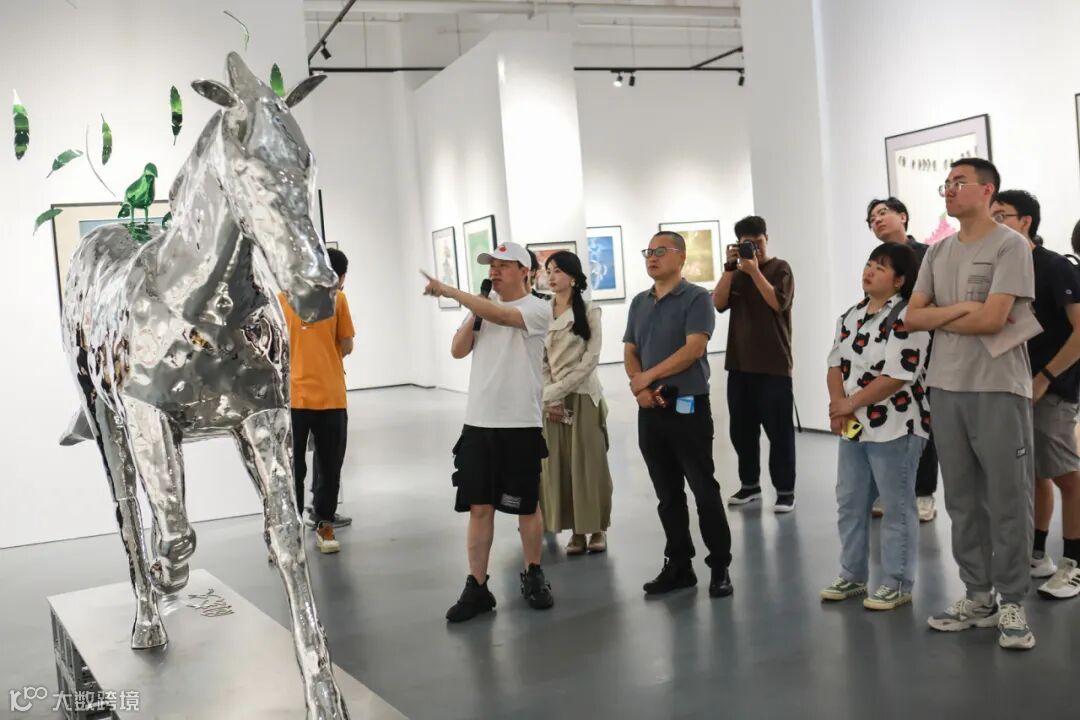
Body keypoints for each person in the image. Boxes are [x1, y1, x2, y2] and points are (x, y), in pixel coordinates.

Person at [906, 158, 1037, 650]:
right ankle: (978, 595)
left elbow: (994, 320)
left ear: (987, 190)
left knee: (1008, 498)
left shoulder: (1010, 245)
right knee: (961, 499)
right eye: (946, 183)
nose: (949, 190)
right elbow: (912, 317)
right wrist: (963, 308)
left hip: (998, 385)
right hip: (945, 385)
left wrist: (943, 315)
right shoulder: (938, 252)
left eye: (959, 183)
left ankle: (1013, 601)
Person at [421, 241, 555, 622]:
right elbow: (457, 349)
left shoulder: (537, 308)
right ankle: (477, 586)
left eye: (503, 265)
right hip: (479, 423)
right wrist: (473, 312)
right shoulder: (482, 308)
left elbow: (503, 316)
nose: (494, 271)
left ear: (525, 271)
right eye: (491, 265)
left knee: (525, 506)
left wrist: (450, 292)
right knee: (479, 507)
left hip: (520, 424)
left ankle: (533, 572)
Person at [624, 231, 734, 598]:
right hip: (651, 411)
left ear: (681, 257)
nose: (652, 257)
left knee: (703, 490)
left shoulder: (697, 298)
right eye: (648, 251)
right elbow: (630, 350)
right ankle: (679, 565)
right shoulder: (639, 302)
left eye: (660, 251)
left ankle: (719, 566)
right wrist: (641, 389)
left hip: (688, 407)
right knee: (667, 494)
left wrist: (648, 377)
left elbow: (693, 350)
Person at [822, 243, 931, 610]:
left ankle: (897, 582)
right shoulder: (850, 316)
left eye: (880, 267)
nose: (869, 271)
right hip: (855, 425)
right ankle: (852, 575)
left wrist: (848, 404)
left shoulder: (909, 316)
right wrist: (838, 407)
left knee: (897, 506)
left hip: (897, 426)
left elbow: (898, 374)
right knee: (850, 502)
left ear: (899, 280)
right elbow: (835, 364)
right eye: (869, 264)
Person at [992, 190, 1080, 599]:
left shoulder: (1056, 268)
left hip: (1052, 388)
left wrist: (1044, 378)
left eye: (1001, 216)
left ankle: (1074, 563)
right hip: (1015, 387)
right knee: (1034, 472)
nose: (994, 223)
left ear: (1025, 221)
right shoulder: (1004, 269)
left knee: (1066, 475)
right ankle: (1037, 553)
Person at [712, 215, 797, 512]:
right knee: (741, 432)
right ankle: (750, 485)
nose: (754, 249)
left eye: (758, 242)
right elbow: (718, 303)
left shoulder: (781, 268)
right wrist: (729, 268)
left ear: (766, 238)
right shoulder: (736, 273)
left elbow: (778, 303)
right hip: (739, 365)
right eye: (747, 244)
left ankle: (785, 491)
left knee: (779, 433)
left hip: (774, 365)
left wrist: (755, 271)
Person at [866, 197, 940, 522]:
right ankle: (891, 489)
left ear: (903, 216)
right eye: (872, 218)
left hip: (926, 351)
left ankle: (924, 493)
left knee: (924, 423)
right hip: (889, 351)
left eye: (883, 213)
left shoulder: (928, 254)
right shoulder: (875, 260)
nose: (877, 220)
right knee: (891, 421)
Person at [279, 247, 355, 554]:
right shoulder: (338, 299)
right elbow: (347, 345)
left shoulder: (282, 299)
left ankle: (292, 532)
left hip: (293, 397)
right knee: (330, 466)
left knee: (292, 468)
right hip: (330, 395)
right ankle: (324, 525)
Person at [539, 251, 614, 555]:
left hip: (583, 396)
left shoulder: (590, 311)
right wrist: (550, 392)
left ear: (573, 277)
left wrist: (559, 389)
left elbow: (591, 359)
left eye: (557, 271)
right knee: (559, 466)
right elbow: (540, 358)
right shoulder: (542, 312)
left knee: (587, 465)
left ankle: (596, 529)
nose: (551, 276)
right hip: (551, 399)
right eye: (548, 270)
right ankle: (575, 531)